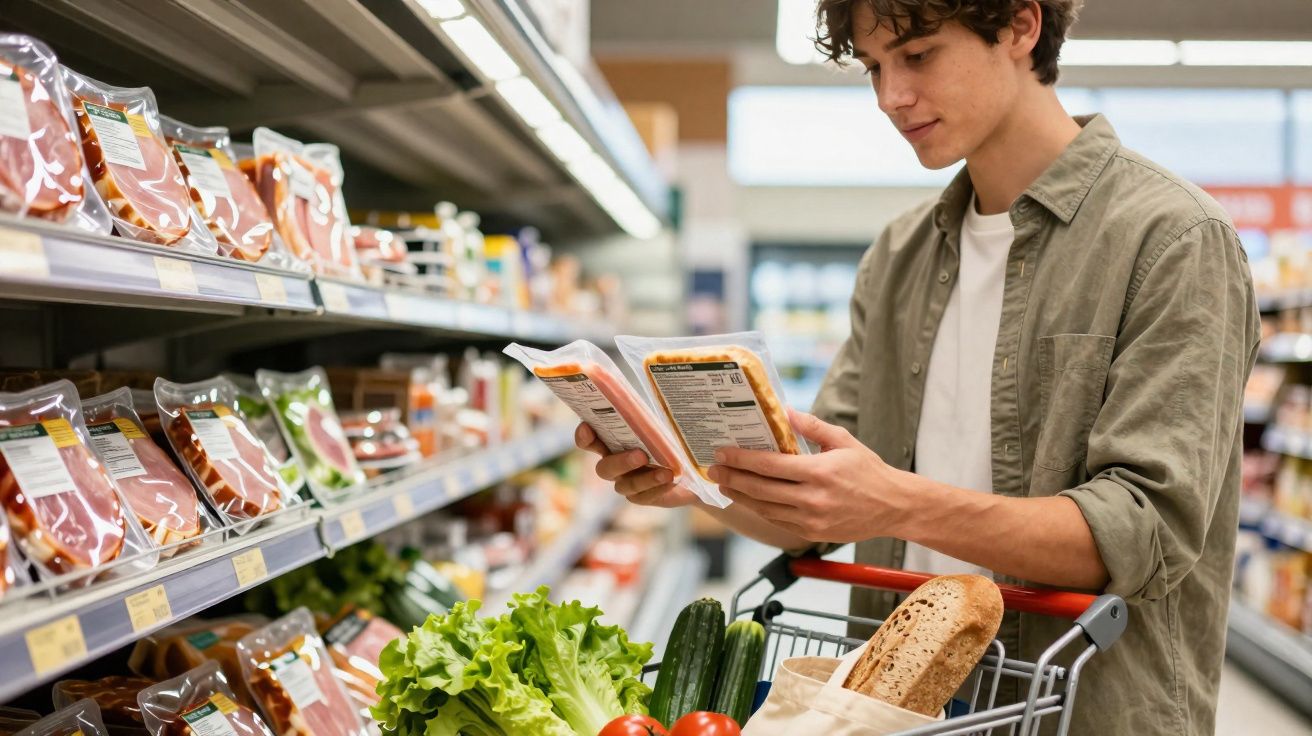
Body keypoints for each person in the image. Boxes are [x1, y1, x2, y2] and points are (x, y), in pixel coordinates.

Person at [576, 0, 1259, 732]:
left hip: (1079, 709)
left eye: (919, 54)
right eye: (874, 67)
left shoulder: (1173, 240)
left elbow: (1144, 530)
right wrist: (693, 481)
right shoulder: (901, 256)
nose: (889, 97)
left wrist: (893, 502)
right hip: (895, 708)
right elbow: (819, 513)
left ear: (1022, 27)